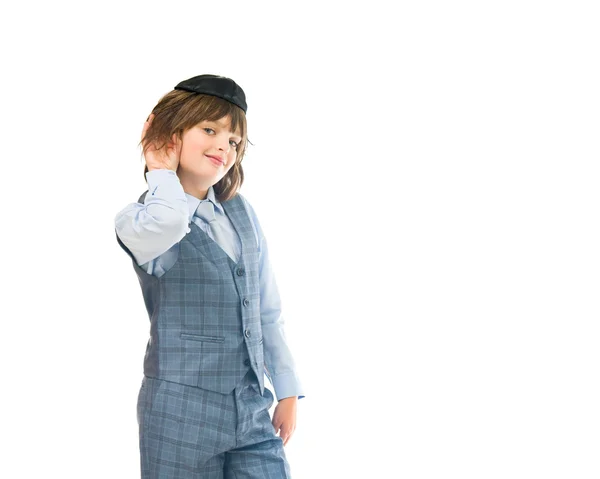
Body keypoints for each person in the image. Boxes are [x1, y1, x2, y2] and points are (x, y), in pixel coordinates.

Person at [114, 74, 305, 478]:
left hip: (251, 406)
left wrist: (286, 386)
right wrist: (159, 170)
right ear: (170, 131)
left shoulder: (241, 213)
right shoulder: (140, 220)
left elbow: (266, 309)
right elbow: (168, 223)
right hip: (179, 413)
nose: (224, 145)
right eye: (210, 129)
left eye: (234, 141)